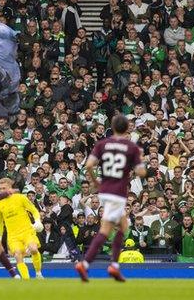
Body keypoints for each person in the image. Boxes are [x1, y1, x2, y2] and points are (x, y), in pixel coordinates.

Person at [75, 115, 147, 282]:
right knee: (107, 229)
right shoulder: (131, 147)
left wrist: (96, 183)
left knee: (122, 225)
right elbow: (142, 172)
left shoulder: (102, 144)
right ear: (127, 128)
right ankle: (87, 264)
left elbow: (89, 165)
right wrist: (139, 158)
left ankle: (112, 265)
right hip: (118, 191)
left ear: (112, 127)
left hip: (105, 189)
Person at [0, 178, 44, 279]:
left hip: (27, 231)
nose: (2, 191)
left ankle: (38, 273)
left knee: (34, 249)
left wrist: (37, 221)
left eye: (4, 188)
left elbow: (34, 210)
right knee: (17, 255)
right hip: (13, 236)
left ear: (10, 188)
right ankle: (26, 280)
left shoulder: (20, 198)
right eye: (0, 189)